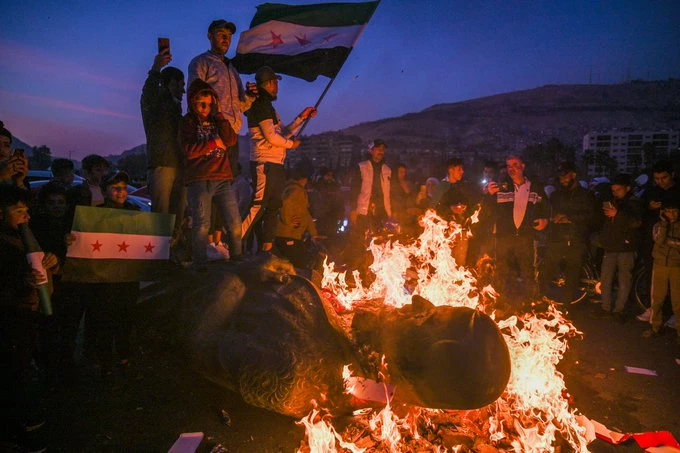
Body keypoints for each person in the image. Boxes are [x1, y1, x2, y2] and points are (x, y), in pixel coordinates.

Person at [0, 185, 58, 451]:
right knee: (12, 375)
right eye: (19, 211)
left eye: (27, 210)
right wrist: (21, 283)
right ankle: (13, 431)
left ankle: (21, 419)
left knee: (22, 370)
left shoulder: (22, 237)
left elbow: (40, 269)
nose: (27, 216)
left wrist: (51, 264)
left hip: (26, 316)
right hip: (9, 319)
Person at [241, 66, 317, 253]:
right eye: (274, 82)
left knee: (273, 207)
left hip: (276, 164)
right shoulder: (260, 105)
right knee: (258, 206)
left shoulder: (270, 108)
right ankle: (232, 243)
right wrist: (291, 145)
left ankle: (266, 250)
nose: (277, 87)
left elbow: (283, 132)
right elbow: (272, 137)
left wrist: (302, 118)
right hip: (264, 163)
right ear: (266, 84)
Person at [178, 78, 243, 270]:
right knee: (202, 224)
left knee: (234, 222)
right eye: (201, 104)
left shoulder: (216, 120)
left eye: (209, 104)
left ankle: (238, 259)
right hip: (200, 179)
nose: (205, 108)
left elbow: (230, 140)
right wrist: (214, 143)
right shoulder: (188, 122)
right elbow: (188, 150)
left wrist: (220, 115)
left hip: (222, 178)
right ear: (193, 102)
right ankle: (200, 265)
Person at [88, 172, 141, 378]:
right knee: (105, 317)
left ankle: (124, 357)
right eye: (115, 188)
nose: (121, 192)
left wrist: (162, 241)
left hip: (128, 276)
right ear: (105, 191)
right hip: (104, 277)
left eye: (124, 188)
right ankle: (104, 361)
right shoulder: (96, 214)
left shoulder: (135, 212)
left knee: (126, 316)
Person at [188, 19, 257, 177]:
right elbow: (194, 98)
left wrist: (250, 96)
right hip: (212, 133)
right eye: (221, 34)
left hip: (232, 134)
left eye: (229, 36)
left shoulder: (232, 70)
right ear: (209, 36)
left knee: (229, 181)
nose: (226, 39)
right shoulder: (201, 62)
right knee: (212, 179)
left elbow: (241, 106)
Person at [486, 154, 549, 305]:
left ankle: (529, 303)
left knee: (528, 270)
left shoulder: (534, 187)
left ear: (523, 166)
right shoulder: (502, 186)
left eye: (515, 165)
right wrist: (489, 195)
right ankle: (500, 303)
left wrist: (545, 220)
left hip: (525, 236)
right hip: (504, 237)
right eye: (508, 166)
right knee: (502, 271)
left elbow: (546, 207)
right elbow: (488, 209)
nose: (511, 169)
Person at [141, 48, 187, 231]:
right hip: (161, 166)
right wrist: (156, 68)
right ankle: (159, 248)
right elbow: (148, 92)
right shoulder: (155, 105)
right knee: (161, 218)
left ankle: (173, 246)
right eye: (181, 84)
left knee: (177, 217)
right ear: (171, 83)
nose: (183, 90)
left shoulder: (176, 109)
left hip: (179, 167)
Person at [540, 161, 597, 303]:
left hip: (577, 238)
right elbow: (548, 212)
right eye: (561, 177)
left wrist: (570, 218)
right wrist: (552, 219)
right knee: (547, 269)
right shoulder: (556, 195)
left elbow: (592, 217)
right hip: (557, 238)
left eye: (566, 176)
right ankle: (539, 299)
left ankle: (567, 305)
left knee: (572, 274)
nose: (563, 180)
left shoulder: (586, 195)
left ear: (574, 175)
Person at [596, 174, 643, 322]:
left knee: (624, 280)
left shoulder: (634, 203)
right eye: (613, 190)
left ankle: (619, 310)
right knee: (606, 278)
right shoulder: (613, 201)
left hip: (626, 247)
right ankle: (605, 308)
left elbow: (636, 223)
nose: (615, 193)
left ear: (627, 188)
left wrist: (617, 214)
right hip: (611, 246)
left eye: (618, 190)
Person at [643, 201, 680, 344]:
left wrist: (669, 242)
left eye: (675, 211)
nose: (672, 214)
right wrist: (665, 225)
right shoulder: (659, 225)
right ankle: (655, 327)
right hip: (660, 265)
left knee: (678, 301)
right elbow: (658, 241)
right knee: (657, 298)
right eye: (669, 211)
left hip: (677, 266)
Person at [274, 167, 324, 268]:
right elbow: (285, 204)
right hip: (288, 234)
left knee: (297, 261)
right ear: (304, 179)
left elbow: (305, 214)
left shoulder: (297, 190)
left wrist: (313, 233)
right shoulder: (296, 190)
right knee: (296, 263)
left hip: (293, 234)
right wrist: (288, 221)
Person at [436, 158, 477, 266]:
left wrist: (465, 209)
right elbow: (433, 209)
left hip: (461, 230)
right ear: (451, 170)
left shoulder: (462, 186)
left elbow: (470, 205)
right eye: (459, 169)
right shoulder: (442, 187)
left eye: (462, 169)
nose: (462, 171)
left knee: (460, 264)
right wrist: (451, 209)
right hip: (446, 233)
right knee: (446, 263)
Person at [349, 139, 392, 236]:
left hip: (382, 212)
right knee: (361, 239)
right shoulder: (361, 167)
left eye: (383, 149)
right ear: (371, 150)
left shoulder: (387, 170)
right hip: (363, 212)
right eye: (378, 149)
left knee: (381, 240)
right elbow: (354, 190)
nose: (381, 151)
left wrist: (392, 211)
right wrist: (353, 210)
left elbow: (391, 192)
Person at [0, 121, 29, 190]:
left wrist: (19, 183)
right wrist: (2, 177)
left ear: (10, 151)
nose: (1, 149)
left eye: (6, 145)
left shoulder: (15, 174)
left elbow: (26, 197)